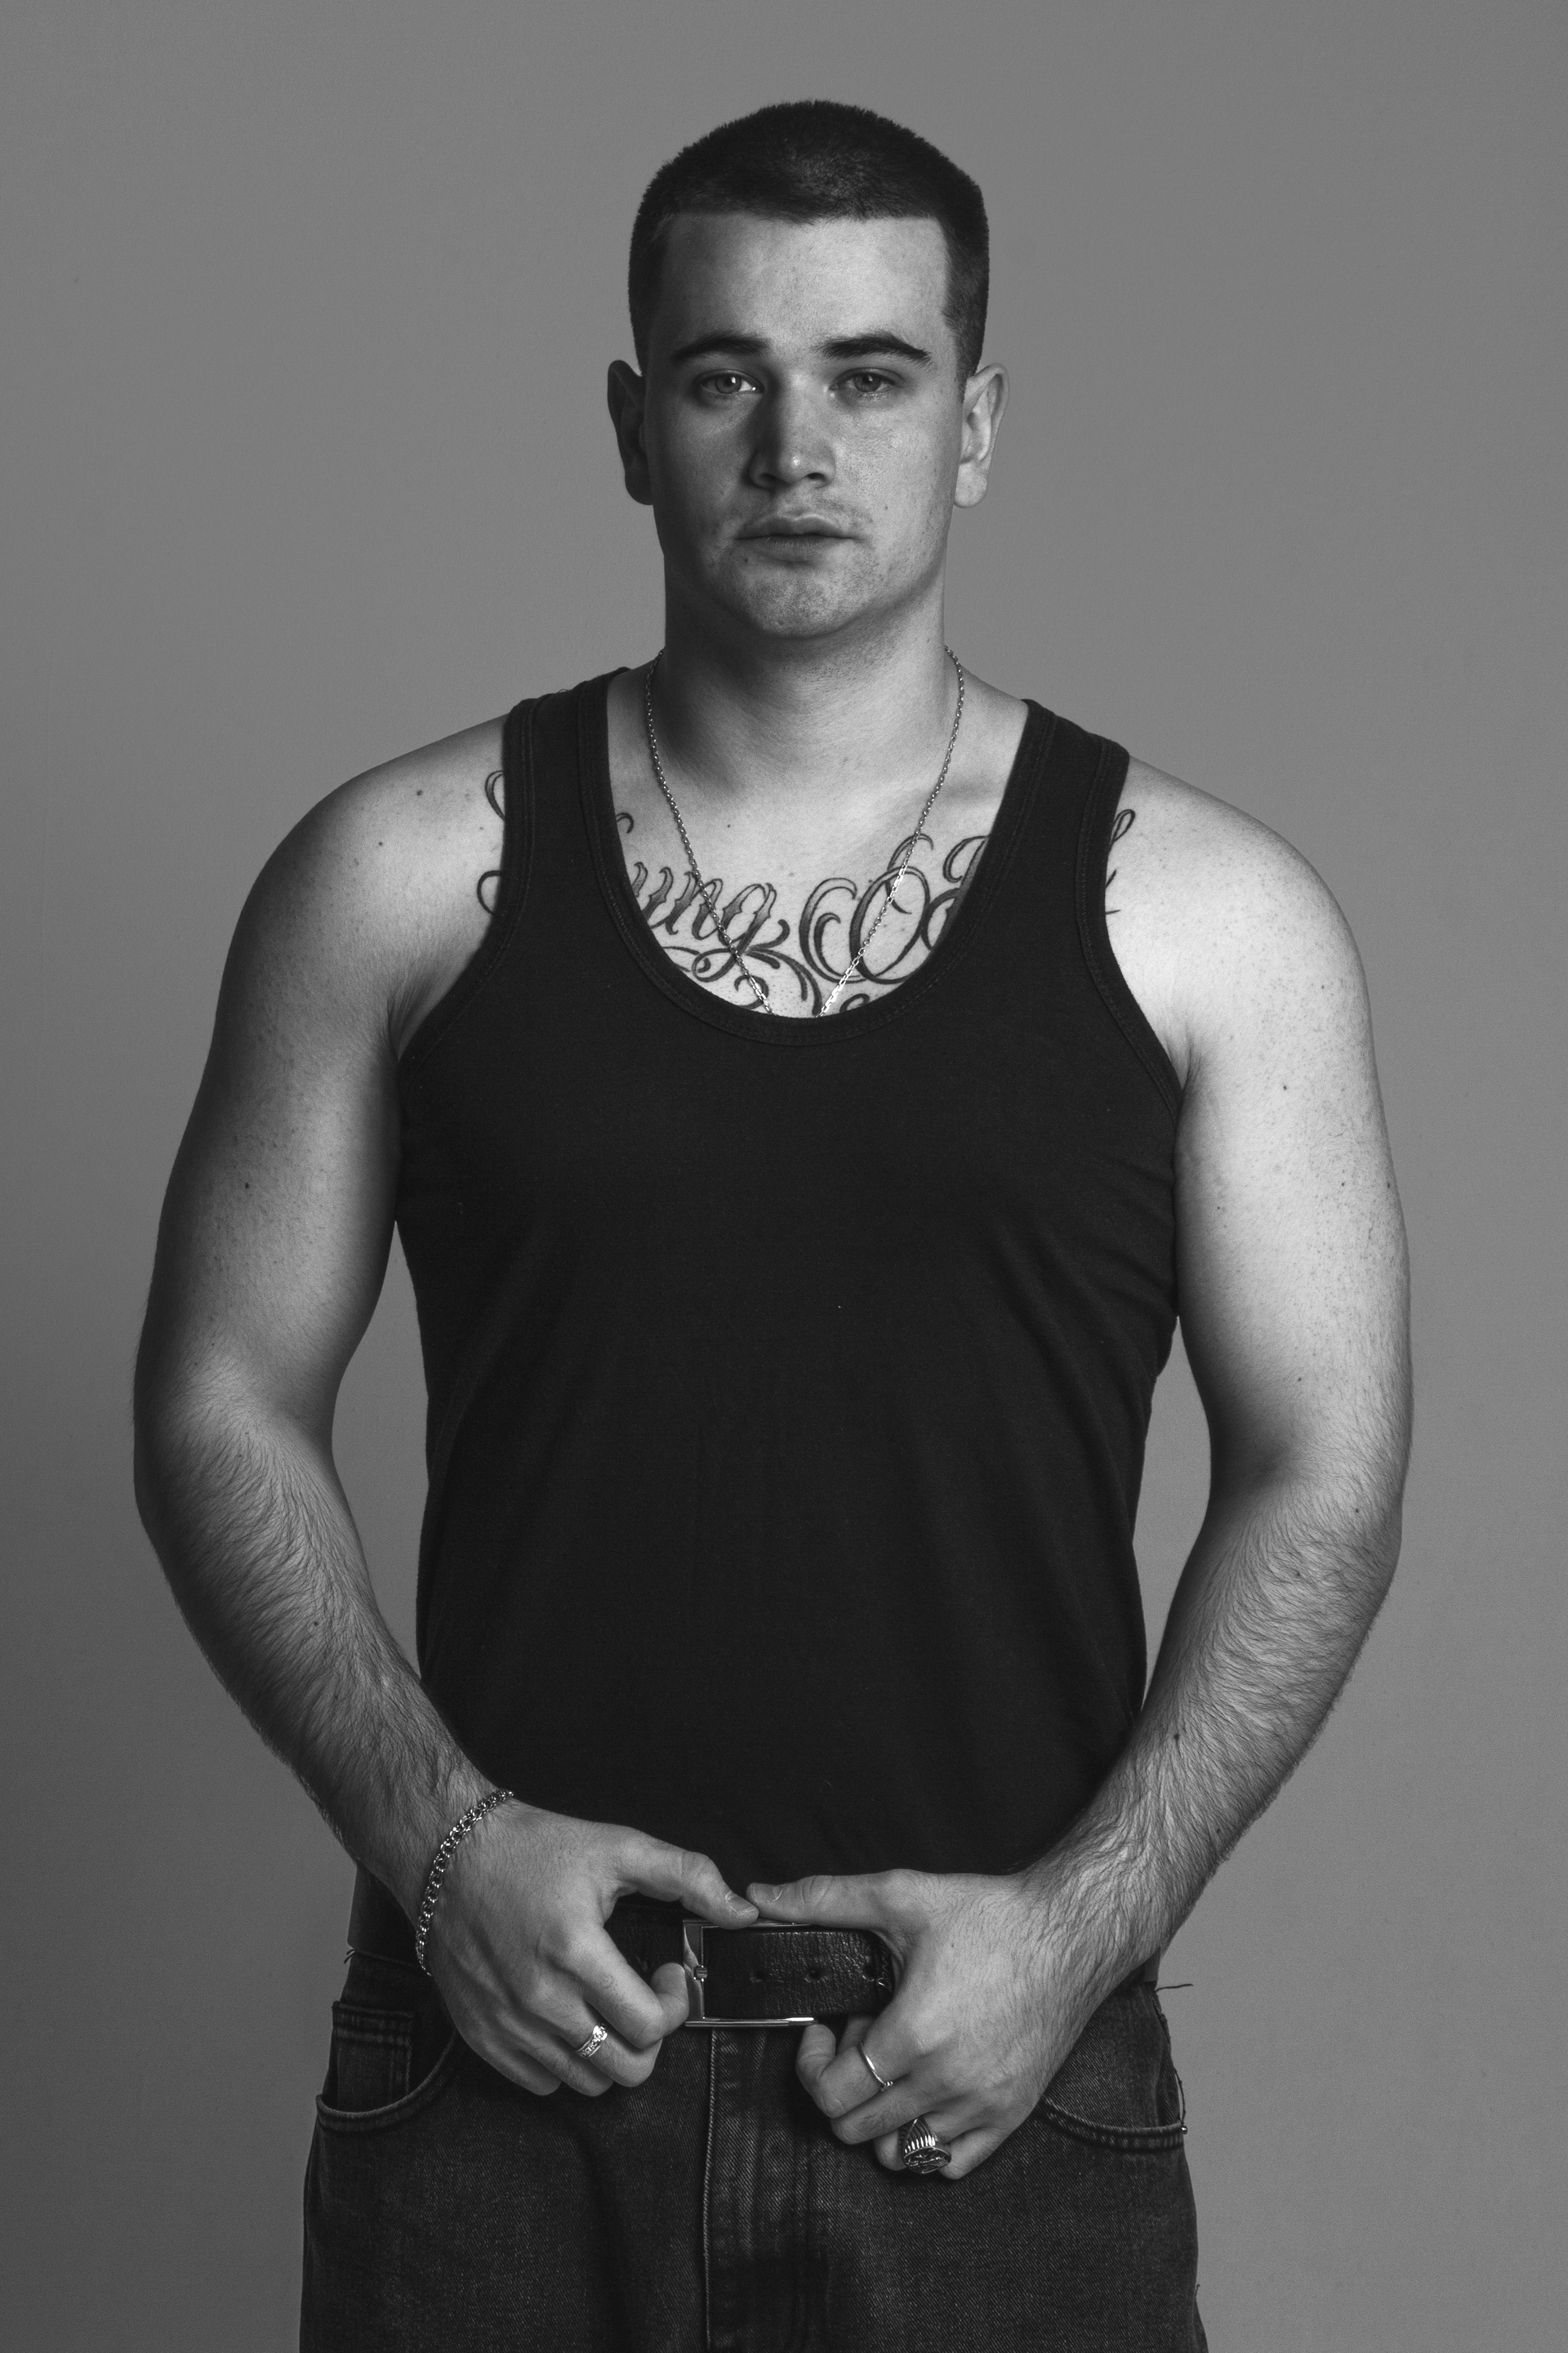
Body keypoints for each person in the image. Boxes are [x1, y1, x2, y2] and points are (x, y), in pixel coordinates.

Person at [133, 99, 1410, 2351]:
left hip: (992, 2075)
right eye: (728, 375)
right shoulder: (401, 877)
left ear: (976, 423)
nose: (797, 446)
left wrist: (1082, 1929)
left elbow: (1326, 1470)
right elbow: (219, 1400)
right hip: (509, 2059)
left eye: (873, 376)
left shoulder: (1214, 919)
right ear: (635, 427)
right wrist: (437, 1851)